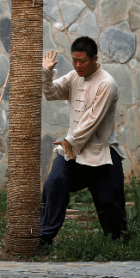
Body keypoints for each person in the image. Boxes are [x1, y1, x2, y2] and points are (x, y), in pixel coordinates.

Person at [39, 36, 128, 248]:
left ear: (95, 59)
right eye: (75, 60)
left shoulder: (107, 84)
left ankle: (119, 246)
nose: (78, 65)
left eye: (83, 61)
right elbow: (51, 93)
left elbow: (92, 120)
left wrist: (68, 141)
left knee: (110, 205)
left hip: (102, 153)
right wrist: (46, 72)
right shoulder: (73, 77)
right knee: (54, 184)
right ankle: (43, 239)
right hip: (73, 152)